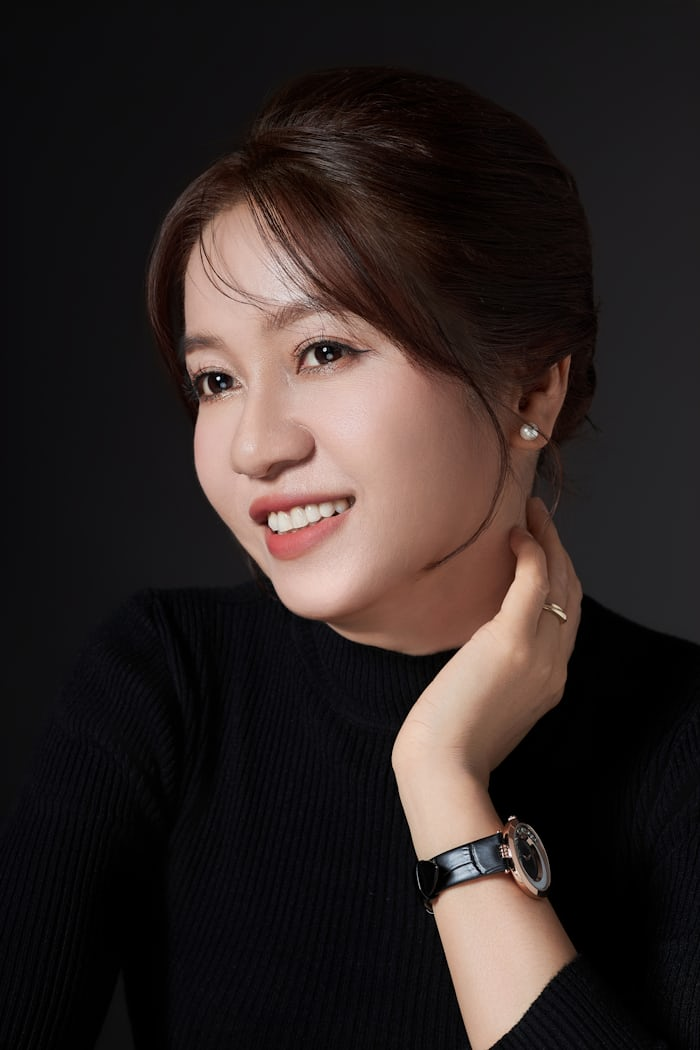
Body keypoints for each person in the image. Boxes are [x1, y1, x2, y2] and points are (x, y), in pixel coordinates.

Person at [1, 64, 698, 1050]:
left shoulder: (680, 744)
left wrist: (441, 781)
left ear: (531, 390)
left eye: (323, 351)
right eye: (214, 380)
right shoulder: (166, 685)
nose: (255, 447)